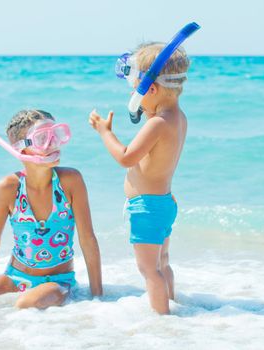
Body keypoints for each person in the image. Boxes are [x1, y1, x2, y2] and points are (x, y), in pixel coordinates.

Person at [88, 39, 193, 314]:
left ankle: (163, 321)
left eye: (137, 91)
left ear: (153, 89)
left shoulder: (157, 124)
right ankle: (173, 306)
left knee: (148, 270)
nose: (135, 98)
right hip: (164, 203)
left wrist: (104, 132)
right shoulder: (178, 118)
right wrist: (148, 108)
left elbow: (126, 157)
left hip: (146, 208)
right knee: (163, 263)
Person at [0, 109, 102, 309]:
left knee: (26, 303)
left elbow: (87, 239)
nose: (52, 143)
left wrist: (98, 297)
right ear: (22, 149)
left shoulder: (70, 181)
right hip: (14, 277)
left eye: (56, 135)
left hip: (58, 282)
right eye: (42, 138)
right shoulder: (8, 188)